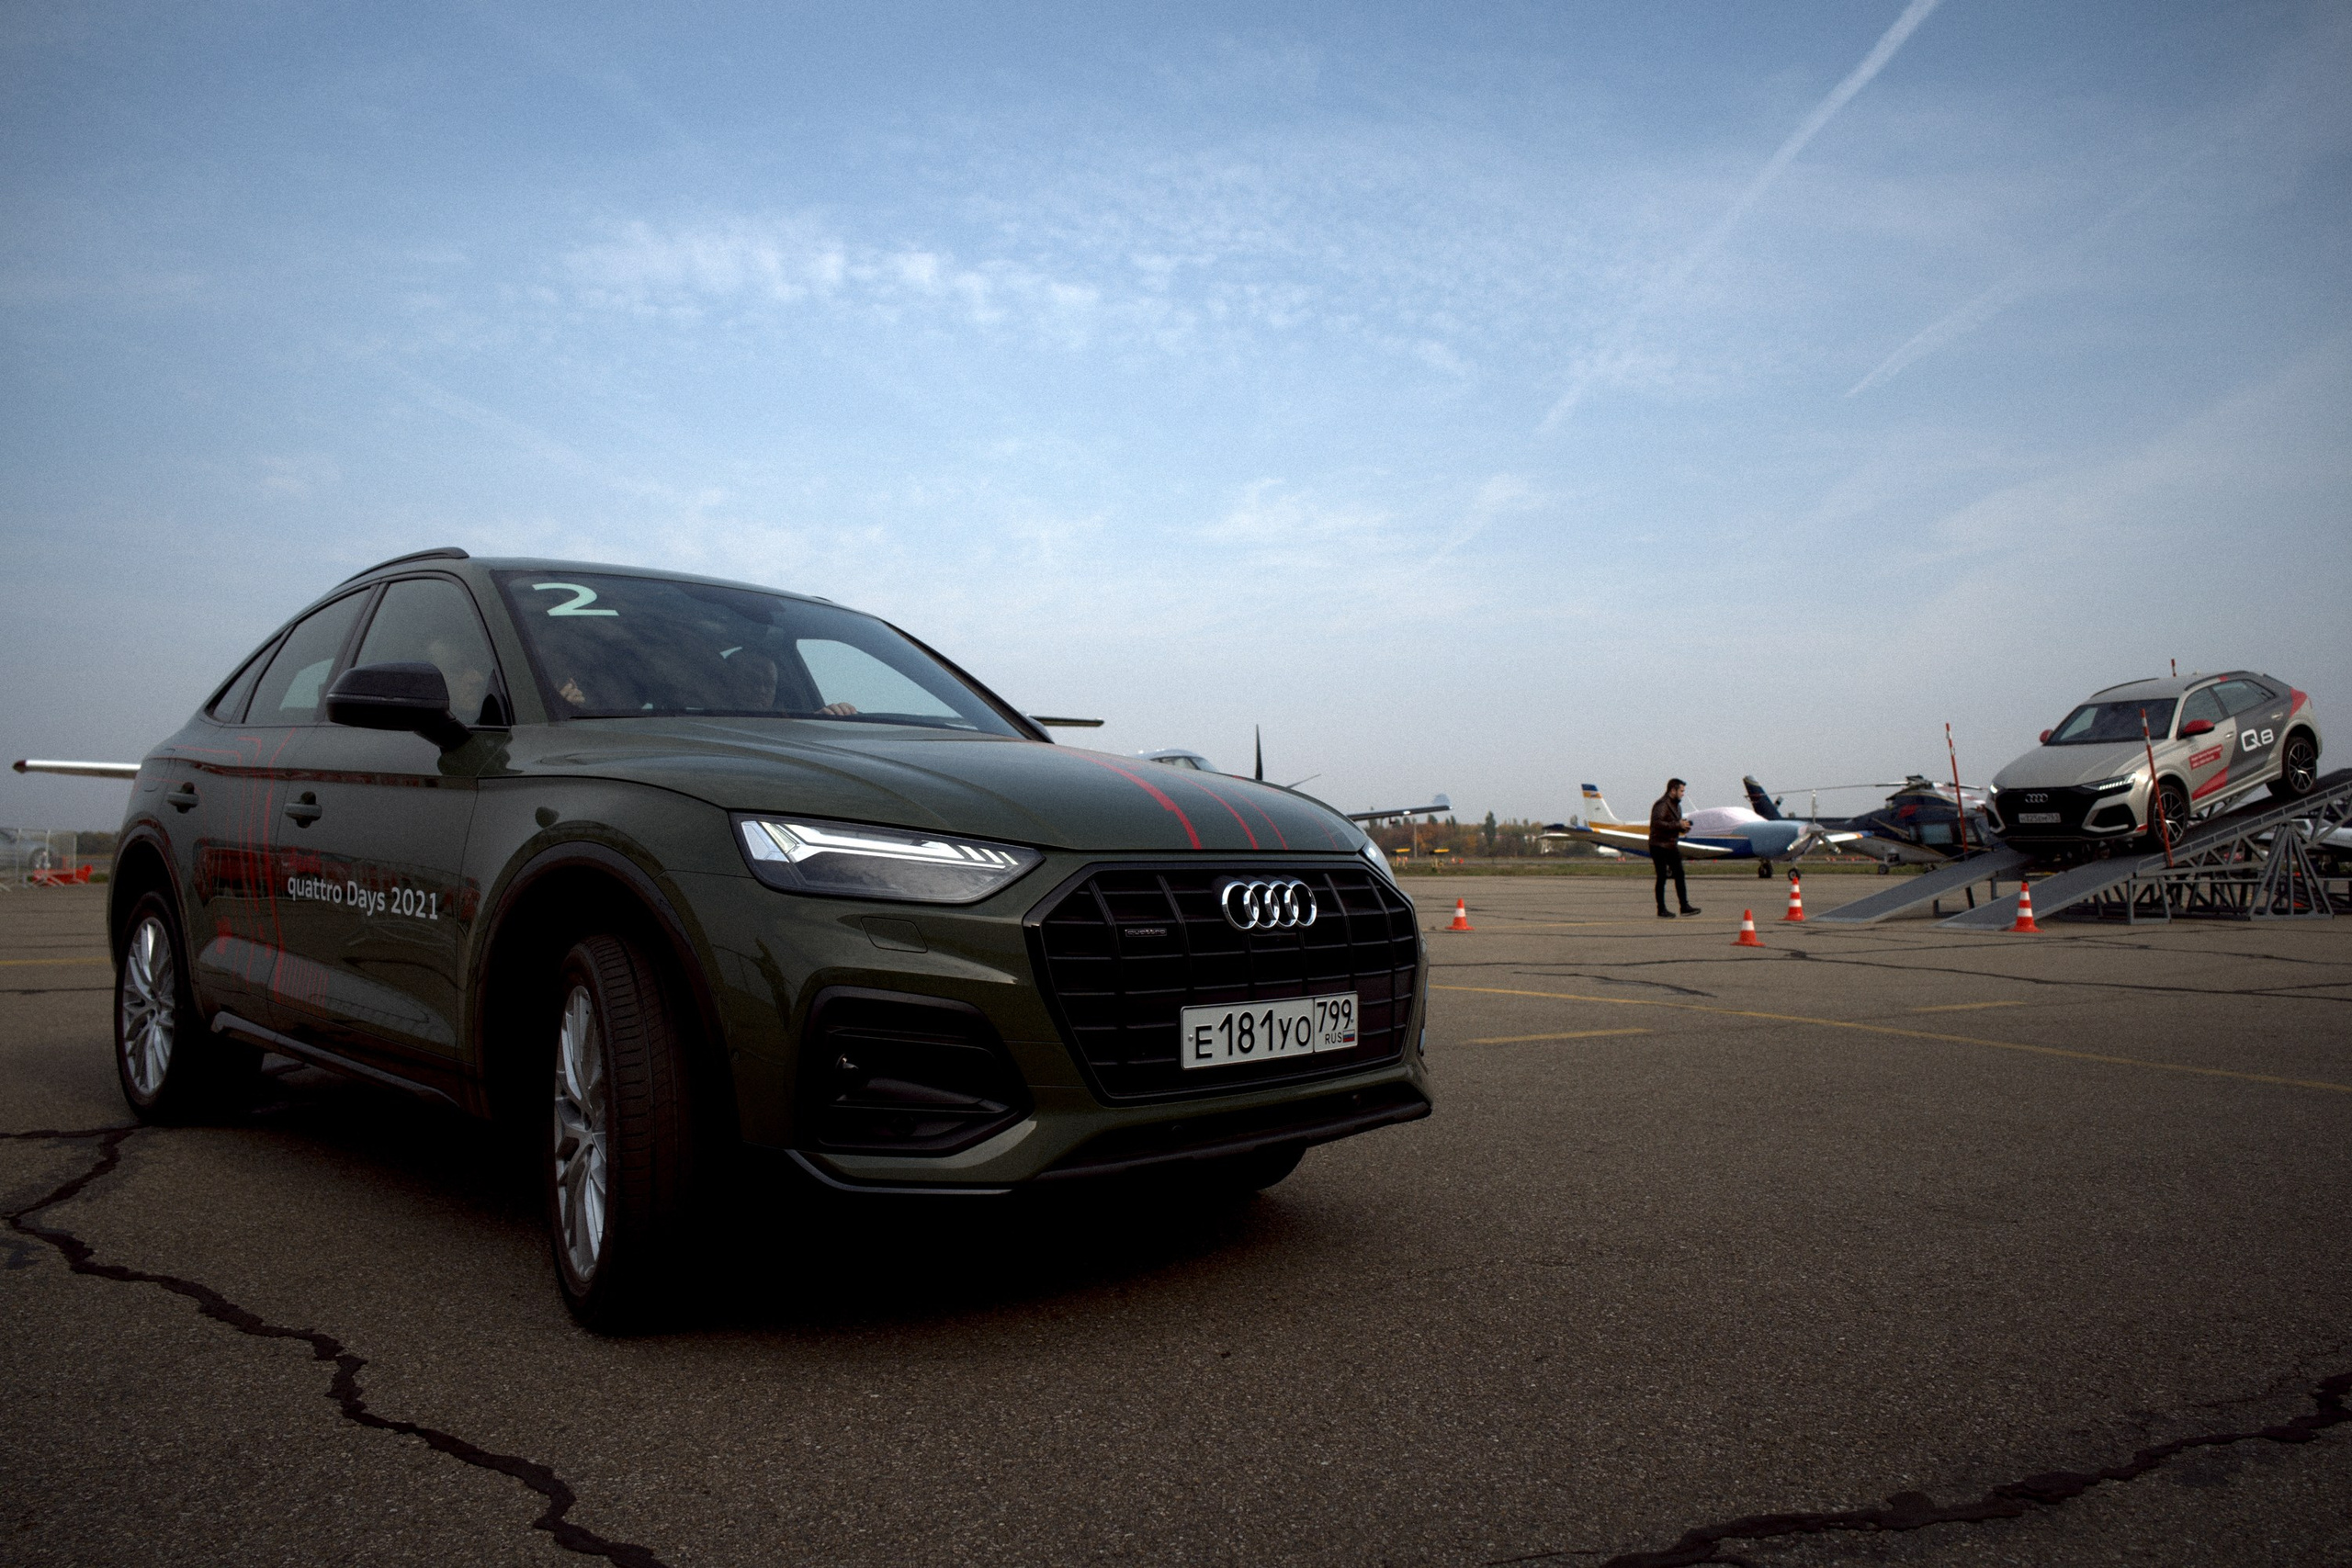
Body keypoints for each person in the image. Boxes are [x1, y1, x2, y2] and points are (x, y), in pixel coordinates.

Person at [1650, 778, 1701, 918]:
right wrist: (1678, 825)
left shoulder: (1676, 805)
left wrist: (1683, 828)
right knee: (1662, 877)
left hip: (1671, 845)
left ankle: (1684, 906)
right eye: (1681, 791)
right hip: (1659, 845)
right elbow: (1657, 823)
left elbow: (1672, 824)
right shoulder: (1662, 804)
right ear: (1673, 790)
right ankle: (1661, 909)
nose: (1683, 794)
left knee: (1679, 874)